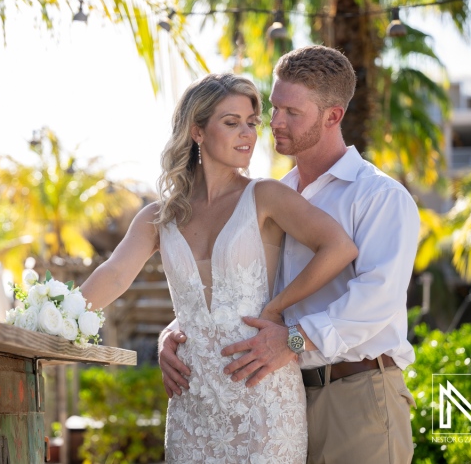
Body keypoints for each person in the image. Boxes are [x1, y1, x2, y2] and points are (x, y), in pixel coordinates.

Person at [158, 45, 420, 464]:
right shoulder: (270, 195)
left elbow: (377, 301)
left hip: (355, 399)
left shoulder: (380, 197)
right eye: (275, 107)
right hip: (279, 402)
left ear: (332, 116)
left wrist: (292, 342)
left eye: (291, 113)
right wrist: (175, 332)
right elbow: (243, 288)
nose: (274, 122)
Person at [80, 72, 358, 463]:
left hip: (263, 396)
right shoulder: (158, 217)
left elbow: (338, 247)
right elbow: (113, 275)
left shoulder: (265, 195)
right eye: (231, 123)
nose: (247, 134)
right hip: (192, 401)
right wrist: (53, 317)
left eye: (251, 123)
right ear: (197, 131)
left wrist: (277, 307)